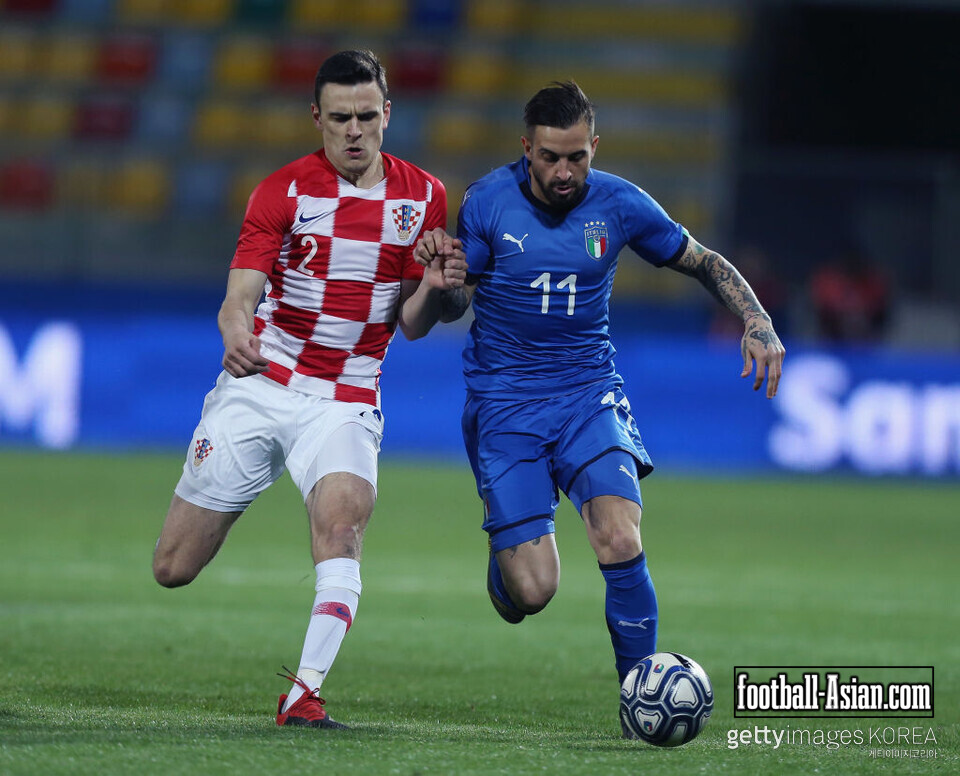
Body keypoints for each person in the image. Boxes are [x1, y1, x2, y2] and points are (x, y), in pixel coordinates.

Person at [415, 81, 784, 735]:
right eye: (551, 157)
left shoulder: (619, 203)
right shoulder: (487, 201)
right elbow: (455, 303)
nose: (565, 172)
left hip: (589, 394)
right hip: (505, 405)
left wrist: (757, 320)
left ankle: (637, 698)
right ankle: (507, 569)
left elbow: (702, 261)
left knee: (619, 534)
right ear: (526, 148)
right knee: (533, 592)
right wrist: (444, 286)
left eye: (577, 157)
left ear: (594, 147)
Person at [152, 50, 466, 729]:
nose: (354, 131)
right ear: (316, 117)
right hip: (263, 383)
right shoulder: (282, 192)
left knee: (343, 527)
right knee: (173, 566)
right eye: (340, 118)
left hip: (346, 397)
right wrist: (236, 333)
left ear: (388, 114)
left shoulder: (425, 197)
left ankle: (303, 695)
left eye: (367, 116)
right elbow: (239, 298)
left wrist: (440, 292)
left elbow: (412, 324)